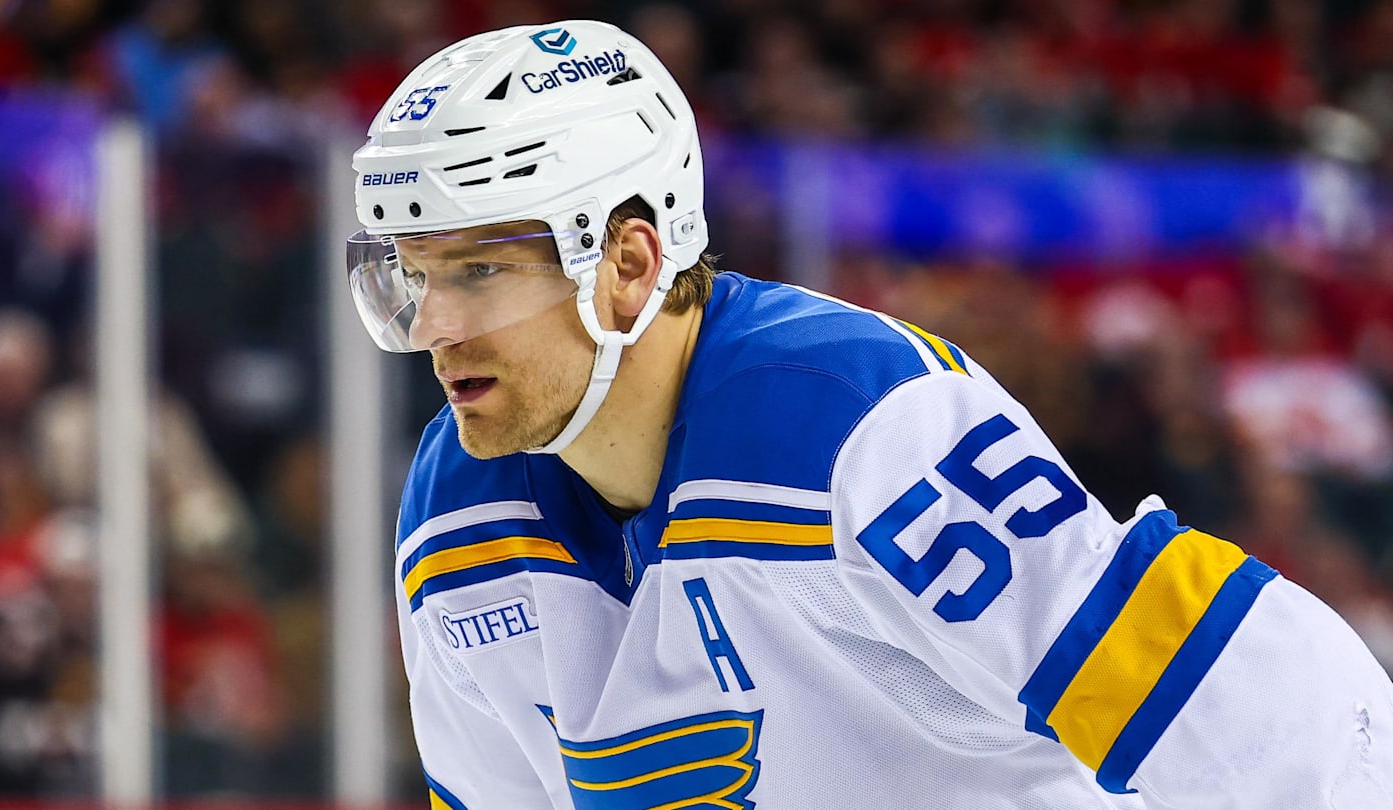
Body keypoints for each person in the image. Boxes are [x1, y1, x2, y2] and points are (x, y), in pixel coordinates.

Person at [345, 20, 1393, 809]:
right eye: (414, 275)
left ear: (628, 264)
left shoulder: (852, 426)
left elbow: (1257, 698)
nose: (433, 323)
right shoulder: (454, 509)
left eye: (478, 270)